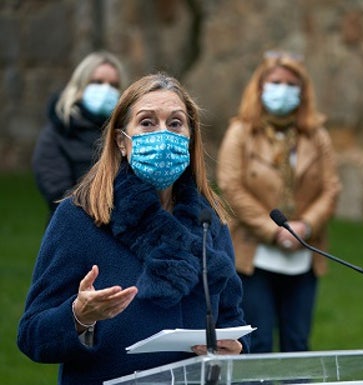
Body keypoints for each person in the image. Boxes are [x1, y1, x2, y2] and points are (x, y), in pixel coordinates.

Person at [17, 73, 248, 385]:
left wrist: (236, 351)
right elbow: (32, 335)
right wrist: (79, 316)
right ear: (121, 141)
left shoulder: (209, 222)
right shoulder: (79, 217)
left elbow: (233, 320)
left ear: (190, 139)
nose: (163, 133)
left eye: (176, 123)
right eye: (147, 123)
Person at [217, 50, 341, 353]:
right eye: (275, 82)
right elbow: (231, 187)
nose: (282, 90)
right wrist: (274, 230)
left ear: (302, 91)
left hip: (304, 253)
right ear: (260, 87)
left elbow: (331, 188)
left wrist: (306, 226)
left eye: (290, 84)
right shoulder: (241, 132)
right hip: (254, 253)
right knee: (257, 344)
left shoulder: (316, 136)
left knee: (297, 343)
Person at [32, 51, 128, 220]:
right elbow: (58, 195)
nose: (106, 90)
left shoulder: (126, 133)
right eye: (97, 82)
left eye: (113, 85)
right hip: (75, 228)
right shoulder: (56, 134)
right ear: (80, 85)